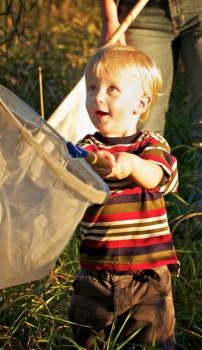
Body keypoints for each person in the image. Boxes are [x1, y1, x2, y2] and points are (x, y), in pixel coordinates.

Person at [68, 44, 179, 349]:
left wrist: (129, 165)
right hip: (95, 278)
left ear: (140, 104)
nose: (98, 96)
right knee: (87, 343)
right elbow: (74, 180)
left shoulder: (151, 144)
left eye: (112, 89)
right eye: (92, 88)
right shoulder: (86, 148)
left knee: (152, 343)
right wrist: (87, 166)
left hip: (148, 279)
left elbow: (158, 176)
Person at [100, 0, 202, 217]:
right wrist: (109, 17)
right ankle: (137, 225)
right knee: (140, 125)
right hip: (143, 15)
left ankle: (197, 220)